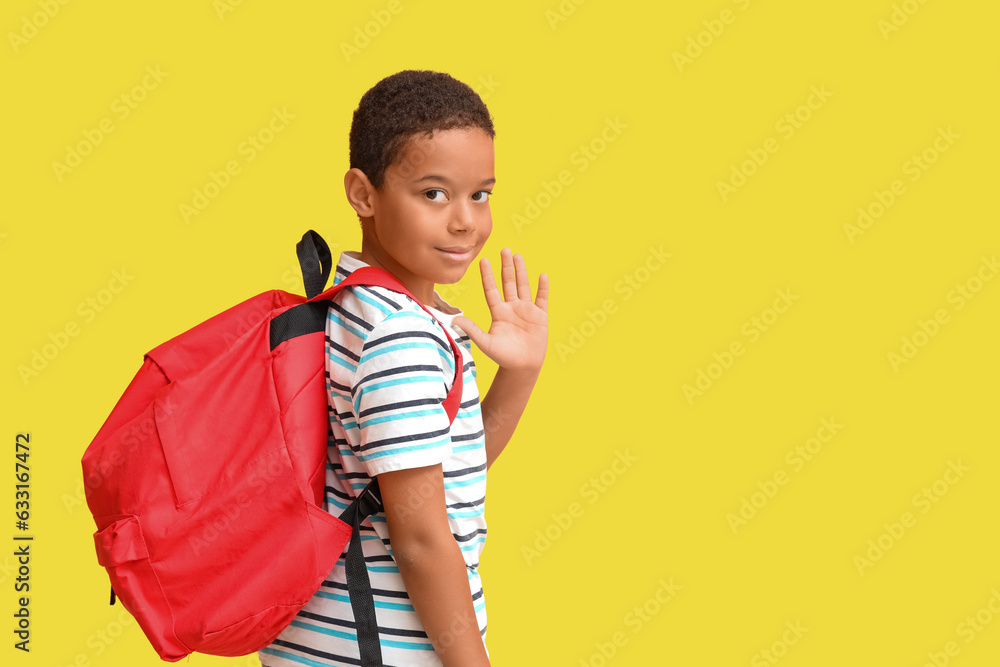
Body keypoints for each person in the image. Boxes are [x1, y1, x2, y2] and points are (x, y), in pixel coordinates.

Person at [259, 70, 549, 667]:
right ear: (364, 194)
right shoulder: (403, 334)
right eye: (434, 194)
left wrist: (518, 372)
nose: (466, 220)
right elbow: (419, 540)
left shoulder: (350, 300)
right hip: (385, 650)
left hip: (320, 641)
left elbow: (435, 475)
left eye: (481, 194)